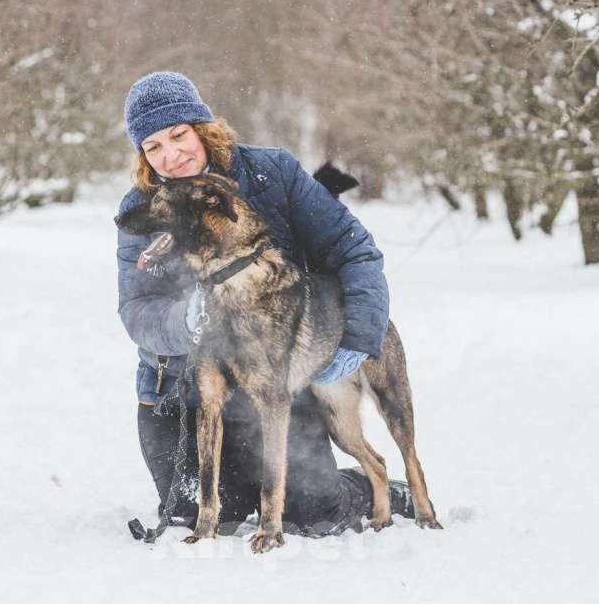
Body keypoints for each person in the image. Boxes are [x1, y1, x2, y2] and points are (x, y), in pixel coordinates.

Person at [116, 71, 414, 536]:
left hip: (272, 375)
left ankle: (367, 487)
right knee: (196, 512)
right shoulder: (145, 207)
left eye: (178, 135)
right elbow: (137, 310)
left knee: (313, 509)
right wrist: (185, 318)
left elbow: (354, 251)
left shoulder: (271, 173)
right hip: (180, 389)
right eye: (153, 146)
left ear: (201, 128)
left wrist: (357, 336)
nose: (170, 155)